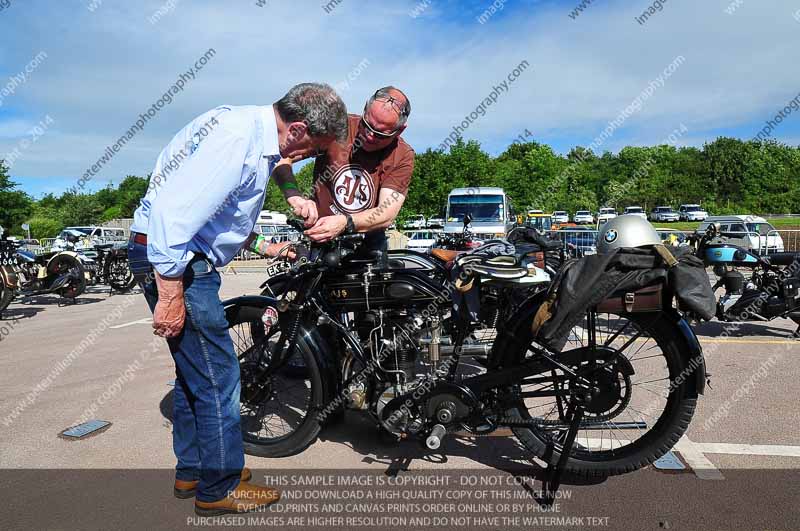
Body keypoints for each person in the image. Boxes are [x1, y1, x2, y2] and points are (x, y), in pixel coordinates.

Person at [127, 82, 348, 516]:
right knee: (220, 376)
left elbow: (216, 215)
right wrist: (171, 293)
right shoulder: (235, 140)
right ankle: (219, 487)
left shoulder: (245, 129)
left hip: (184, 257)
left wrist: (266, 246)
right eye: (312, 149)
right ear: (297, 129)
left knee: (196, 372)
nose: (305, 159)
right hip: (179, 262)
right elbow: (174, 216)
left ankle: (196, 468)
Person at [272, 86, 414, 252]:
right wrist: (294, 195)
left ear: (400, 130)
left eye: (380, 134)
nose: (369, 135)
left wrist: (346, 222)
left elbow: (386, 213)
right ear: (365, 108)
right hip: (320, 240)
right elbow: (281, 157)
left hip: (367, 247)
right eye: (366, 124)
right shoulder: (337, 128)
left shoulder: (402, 155)